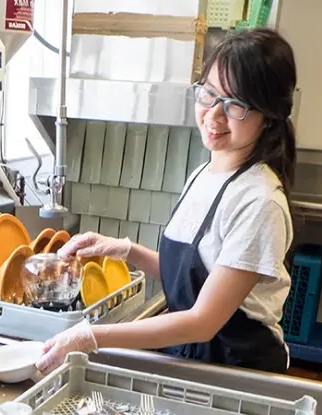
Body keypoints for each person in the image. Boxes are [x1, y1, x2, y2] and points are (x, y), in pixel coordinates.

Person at [36, 28, 297, 375]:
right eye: (209, 95)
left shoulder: (259, 202)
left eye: (237, 105)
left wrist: (89, 336)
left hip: (238, 376)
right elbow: (194, 279)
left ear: (268, 117)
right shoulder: (203, 174)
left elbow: (203, 321)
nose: (214, 115)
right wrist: (126, 250)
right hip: (196, 363)